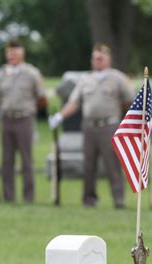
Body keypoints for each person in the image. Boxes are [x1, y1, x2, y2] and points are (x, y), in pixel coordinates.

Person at [49, 43, 134, 208]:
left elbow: (128, 101)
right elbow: (74, 102)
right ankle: (89, 199)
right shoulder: (86, 80)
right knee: (88, 165)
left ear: (108, 59)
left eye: (101, 58)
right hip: (89, 126)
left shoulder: (118, 78)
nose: (97, 61)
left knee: (112, 165)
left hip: (109, 125)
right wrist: (60, 116)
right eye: (95, 58)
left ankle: (119, 200)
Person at [0, 40, 47, 203]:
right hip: (6, 119)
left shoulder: (32, 73)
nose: (11, 56)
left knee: (26, 159)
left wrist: (30, 110)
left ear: (22, 54)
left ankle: (28, 197)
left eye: (14, 53)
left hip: (24, 118)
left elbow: (42, 98)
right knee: (6, 160)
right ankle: (8, 197)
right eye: (9, 53)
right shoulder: (1, 73)